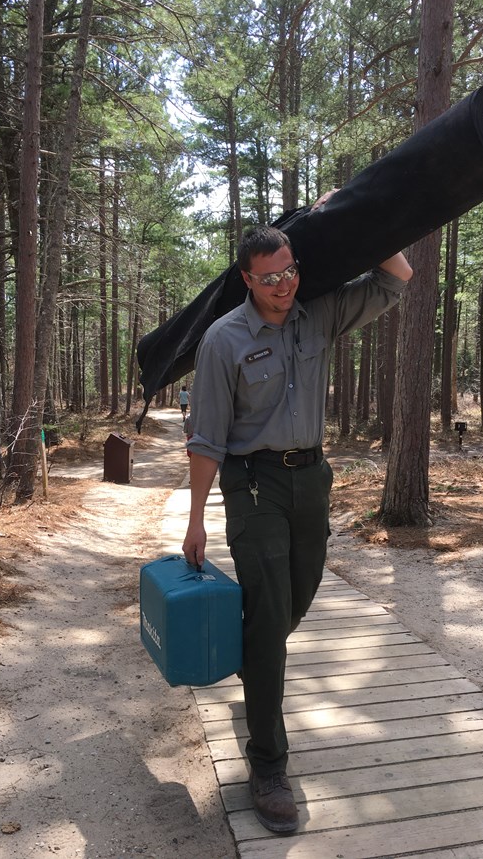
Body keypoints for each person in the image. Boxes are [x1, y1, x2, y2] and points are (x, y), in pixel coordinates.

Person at [182, 197, 412, 834]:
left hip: (311, 478)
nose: (283, 286)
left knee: (293, 604)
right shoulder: (223, 340)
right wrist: (196, 518)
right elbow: (205, 439)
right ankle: (268, 764)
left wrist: (355, 216)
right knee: (270, 600)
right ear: (247, 280)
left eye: (289, 271)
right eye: (269, 277)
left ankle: (256, 665)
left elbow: (397, 280)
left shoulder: (318, 315)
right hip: (252, 484)